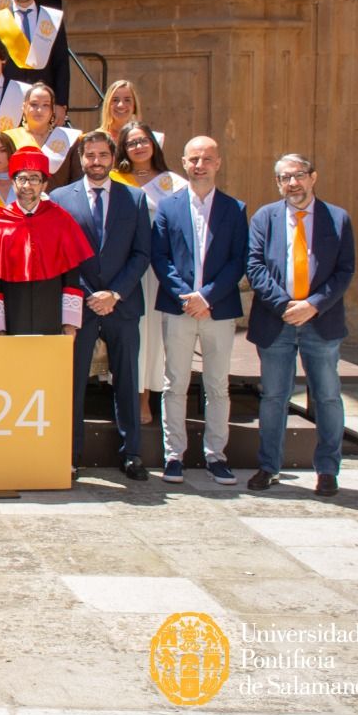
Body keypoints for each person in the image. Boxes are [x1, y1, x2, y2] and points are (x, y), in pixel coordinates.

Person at [246, 155, 355, 496]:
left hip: (320, 322)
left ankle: (327, 470)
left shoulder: (337, 219)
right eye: (284, 178)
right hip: (276, 320)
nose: (292, 183)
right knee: (274, 397)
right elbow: (255, 266)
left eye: (298, 176)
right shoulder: (265, 217)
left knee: (327, 397)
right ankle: (269, 466)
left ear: (313, 178)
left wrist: (313, 305)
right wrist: (284, 305)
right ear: (277, 183)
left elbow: (344, 270)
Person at [51, 132, 153, 479]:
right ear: (80, 159)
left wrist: (115, 293)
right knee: (73, 382)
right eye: (89, 155)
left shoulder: (135, 199)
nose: (96, 161)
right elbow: (60, 256)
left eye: (102, 155)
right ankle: (69, 455)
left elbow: (142, 253)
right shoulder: (60, 198)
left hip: (121, 305)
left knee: (126, 380)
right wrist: (87, 294)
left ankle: (132, 454)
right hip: (79, 305)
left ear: (113, 158)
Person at [152, 135, 248, 485]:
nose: (200, 165)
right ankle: (173, 454)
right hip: (178, 309)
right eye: (194, 159)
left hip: (218, 310)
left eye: (207, 159)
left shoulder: (234, 209)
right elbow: (160, 258)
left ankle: (215, 455)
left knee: (217, 385)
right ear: (183, 162)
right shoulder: (168, 207)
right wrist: (185, 296)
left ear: (218, 163)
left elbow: (238, 260)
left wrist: (206, 297)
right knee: (175, 382)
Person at [110, 121, 186, 425]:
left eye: (143, 141)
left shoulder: (173, 183)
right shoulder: (116, 180)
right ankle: (125, 396)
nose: (138, 147)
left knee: (153, 333)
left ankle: (146, 398)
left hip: (158, 271)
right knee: (131, 334)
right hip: (125, 268)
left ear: (154, 144)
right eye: (131, 143)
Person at [0, 145, 92, 340]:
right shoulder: (0, 222)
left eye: (34, 179)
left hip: (51, 311)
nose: (27, 185)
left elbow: (71, 274)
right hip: (14, 312)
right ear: (13, 182)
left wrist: (70, 322)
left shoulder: (60, 219)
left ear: (44, 184)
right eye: (21, 178)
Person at [0, 0, 70, 120]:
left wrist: (61, 103)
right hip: (9, 100)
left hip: (44, 99)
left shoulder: (51, 19)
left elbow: (61, 63)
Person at [6, 82, 78, 189]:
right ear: (24, 107)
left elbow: (76, 180)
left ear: (52, 110)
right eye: (34, 104)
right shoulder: (8, 138)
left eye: (45, 105)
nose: (39, 110)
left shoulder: (68, 139)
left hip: (58, 203)